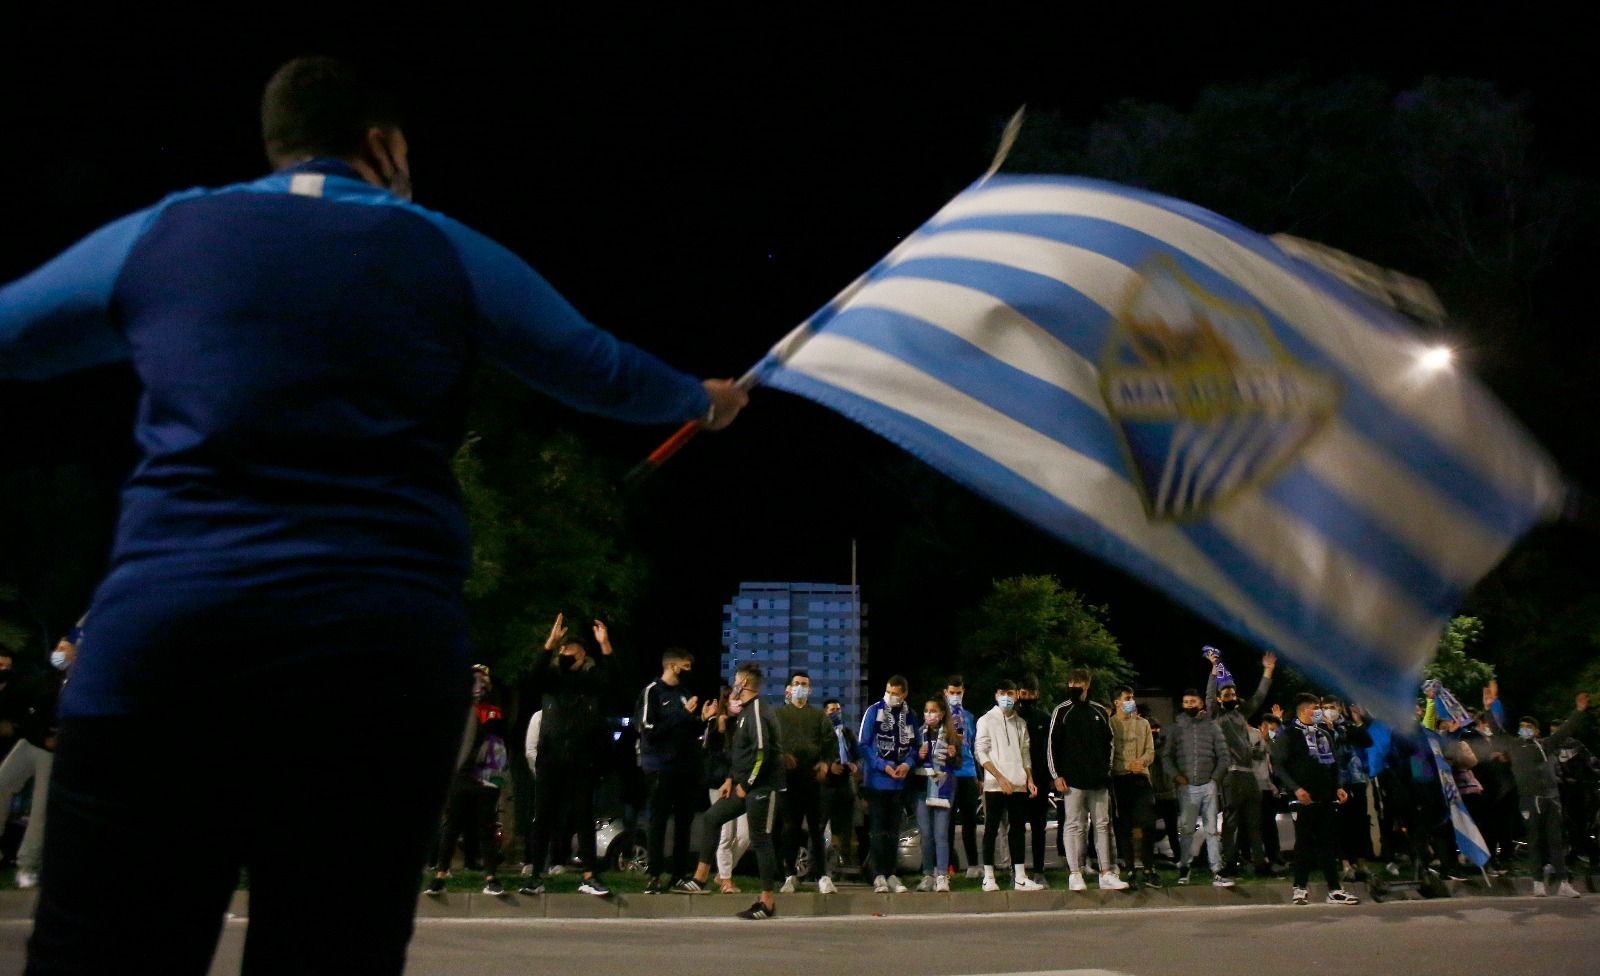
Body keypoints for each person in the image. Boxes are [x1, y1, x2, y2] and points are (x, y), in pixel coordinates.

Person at [1, 56, 747, 974]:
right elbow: (595, 366)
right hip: (371, 660)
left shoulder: (168, 231)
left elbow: (13, 333)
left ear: (275, 143)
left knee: (104, 949)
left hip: (166, 647)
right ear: (384, 145)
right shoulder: (436, 244)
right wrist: (702, 400)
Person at [674, 666, 783, 920]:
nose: (733, 685)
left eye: (736, 681)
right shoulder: (744, 712)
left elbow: (761, 752)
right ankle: (700, 878)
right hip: (742, 785)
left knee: (760, 839)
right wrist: (732, 779)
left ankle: (767, 901)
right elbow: (741, 753)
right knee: (712, 818)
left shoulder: (757, 709)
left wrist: (747, 784)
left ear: (744, 682)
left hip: (761, 788)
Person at [1483, 683, 1587, 898]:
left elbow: (1565, 730)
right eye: (1522, 726)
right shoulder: (1513, 745)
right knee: (1535, 840)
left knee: (1556, 840)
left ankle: (1563, 883)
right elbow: (1497, 731)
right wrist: (1488, 709)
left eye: (1529, 727)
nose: (1524, 729)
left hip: (1552, 799)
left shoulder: (1545, 745)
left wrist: (1578, 711)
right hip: (1529, 801)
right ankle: (1538, 882)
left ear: (1536, 731)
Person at [0, 630, 77, 889]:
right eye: (59, 647)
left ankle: (27, 866)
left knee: (40, 808)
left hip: (52, 752)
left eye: (64, 648)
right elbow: (29, 707)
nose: (59, 652)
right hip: (33, 742)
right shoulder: (49, 679)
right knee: (2, 784)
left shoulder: (81, 683)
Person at [427, 665, 509, 896]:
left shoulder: (492, 711)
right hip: (460, 777)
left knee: (486, 828)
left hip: (485, 777)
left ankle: (491, 877)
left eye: (482, 683)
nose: (478, 686)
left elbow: (496, 742)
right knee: (452, 826)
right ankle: (440, 876)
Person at [1274, 693, 1360, 905]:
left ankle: (1335, 889)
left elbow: (1334, 764)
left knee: (1328, 843)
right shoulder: (1289, 735)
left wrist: (1338, 787)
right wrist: (1296, 789)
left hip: (1326, 797)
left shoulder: (1324, 734)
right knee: (1303, 844)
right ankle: (1300, 888)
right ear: (1304, 710)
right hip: (1302, 799)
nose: (1320, 711)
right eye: (1316, 708)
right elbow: (1278, 766)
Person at [1048, 669, 1127, 892]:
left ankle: (1106, 873)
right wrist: (1056, 775)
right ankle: (1075, 873)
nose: (1075, 686)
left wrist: (1107, 770)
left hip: (1098, 781)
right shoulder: (1062, 711)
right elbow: (1052, 745)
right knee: (1073, 825)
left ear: (1087, 684)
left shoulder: (1100, 711)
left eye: (1079, 682)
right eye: (1072, 681)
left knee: (1102, 825)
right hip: (1072, 781)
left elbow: (1109, 743)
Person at [1205, 649, 1275, 882]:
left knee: (1254, 822)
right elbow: (1208, 698)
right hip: (1231, 776)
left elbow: (1258, 697)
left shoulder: (1241, 713)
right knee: (1231, 823)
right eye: (1226, 693)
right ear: (1219, 698)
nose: (1231, 695)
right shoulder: (1217, 716)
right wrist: (1214, 670)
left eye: (1233, 692)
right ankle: (1230, 862)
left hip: (1249, 776)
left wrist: (1267, 671)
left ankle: (1259, 862)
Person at [637, 648, 702, 894]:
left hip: (684, 768)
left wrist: (700, 719)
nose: (689, 672)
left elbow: (687, 728)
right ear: (673, 666)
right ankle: (654, 874)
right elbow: (649, 729)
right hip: (659, 768)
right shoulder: (652, 692)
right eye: (686, 667)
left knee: (684, 823)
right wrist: (682, 714)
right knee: (658, 822)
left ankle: (678, 874)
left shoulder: (684, 694)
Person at [976, 678, 1045, 893]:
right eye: (1003, 693)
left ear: (1016, 695)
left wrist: (1030, 779)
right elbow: (981, 752)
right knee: (991, 829)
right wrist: (999, 777)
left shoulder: (1020, 723)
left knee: (1018, 831)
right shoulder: (986, 720)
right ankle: (988, 876)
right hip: (995, 785)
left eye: (1011, 693)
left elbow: (1025, 755)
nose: (1007, 697)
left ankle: (1020, 877)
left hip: (1018, 785)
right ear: (997, 694)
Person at [1162, 687, 1231, 885]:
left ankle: (1217, 869)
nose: (1189, 705)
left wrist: (1215, 778)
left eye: (1193, 701)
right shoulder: (1176, 728)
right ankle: (1184, 867)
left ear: (1200, 703)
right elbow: (1167, 757)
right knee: (1187, 830)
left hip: (1208, 785)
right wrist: (1176, 776)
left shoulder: (1212, 727)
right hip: (1186, 787)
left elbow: (1224, 756)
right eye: (1186, 702)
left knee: (1211, 830)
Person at [776, 671, 837, 894]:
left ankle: (822, 875)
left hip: (813, 781)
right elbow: (773, 745)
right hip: (788, 781)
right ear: (788, 689)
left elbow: (830, 744)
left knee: (816, 829)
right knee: (789, 828)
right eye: (797, 684)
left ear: (810, 690)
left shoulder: (819, 716)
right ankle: (789, 875)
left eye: (804, 685)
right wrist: (781, 757)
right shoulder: (779, 715)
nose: (800, 687)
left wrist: (825, 764)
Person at [858, 676, 917, 893]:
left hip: (899, 785)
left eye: (895, 693)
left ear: (904, 694)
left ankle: (892, 873)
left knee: (894, 832)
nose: (891, 696)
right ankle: (877, 875)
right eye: (888, 691)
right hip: (876, 783)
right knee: (877, 831)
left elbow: (914, 746)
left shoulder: (910, 715)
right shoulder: (874, 711)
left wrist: (907, 765)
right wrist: (883, 766)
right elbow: (863, 745)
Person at [699, 688, 751, 894]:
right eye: (733, 699)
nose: (737, 702)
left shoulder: (745, 723)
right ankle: (726, 879)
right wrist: (716, 726)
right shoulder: (716, 722)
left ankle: (722, 873)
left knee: (745, 837)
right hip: (720, 785)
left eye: (740, 699)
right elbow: (709, 751)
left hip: (741, 784)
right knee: (726, 834)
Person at [1109, 687, 1160, 887]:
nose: (1132, 701)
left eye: (1132, 698)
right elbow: (1110, 756)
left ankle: (1149, 867)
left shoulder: (1143, 724)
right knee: (1124, 826)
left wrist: (1142, 762)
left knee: (1147, 822)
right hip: (1120, 779)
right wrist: (1125, 766)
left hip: (1141, 778)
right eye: (1127, 698)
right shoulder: (1110, 724)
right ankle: (1129, 867)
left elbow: (1150, 750)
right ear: (1117, 702)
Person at [913, 697, 962, 892]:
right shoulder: (918, 734)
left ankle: (942, 874)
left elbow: (959, 762)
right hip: (922, 786)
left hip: (943, 786)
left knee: (941, 833)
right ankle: (927, 874)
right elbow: (911, 760)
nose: (929, 715)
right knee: (926, 834)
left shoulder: (951, 735)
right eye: (926, 710)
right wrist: (918, 755)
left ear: (941, 714)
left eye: (933, 711)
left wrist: (952, 755)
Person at [1016, 674, 1055, 887]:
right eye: (1024, 693)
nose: (1027, 697)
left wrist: (1049, 777)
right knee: (1018, 828)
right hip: (1017, 781)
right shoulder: (1013, 717)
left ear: (1037, 695)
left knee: (1039, 828)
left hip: (1039, 780)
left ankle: (1040, 870)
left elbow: (1049, 751)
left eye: (1031, 694)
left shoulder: (1044, 718)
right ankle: (1019, 871)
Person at [943, 675, 983, 878]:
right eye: (952, 693)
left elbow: (975, 746)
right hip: (949, 773)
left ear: (963, 692)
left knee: (970, 821)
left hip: (968, 773)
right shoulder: (941, 716)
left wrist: (979, 775)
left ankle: (973, 865)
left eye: (959, 693)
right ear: (946, 693)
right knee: (947, 822)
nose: (956, 696)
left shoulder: (969, 717)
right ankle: (948, 864)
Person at [820, 698, 859, 876]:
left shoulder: (847, 732)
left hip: (845, 784)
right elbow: (816, 753)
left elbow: (855, 753)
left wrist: (853, 764)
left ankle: (846, 863)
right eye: (832, 710)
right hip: (826, 785)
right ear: (825, 713)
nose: (836, 712)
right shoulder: (821, 732)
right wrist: (829, 766)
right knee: (821, 824)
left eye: (838, 709)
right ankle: (819, 865)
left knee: (846, 826)